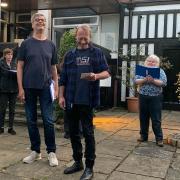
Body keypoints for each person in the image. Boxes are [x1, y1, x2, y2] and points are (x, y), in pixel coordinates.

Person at [59, 24, 110, 180]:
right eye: (80, 35)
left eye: (85, 35)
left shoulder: (97, 53)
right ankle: (77, 162)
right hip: (71, 100)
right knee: (73, 133)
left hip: (87, 100)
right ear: (76, 36)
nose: (82, 37)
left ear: (89, 36)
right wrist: (61, 96)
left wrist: (95, 76)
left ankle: (89, 167)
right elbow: (63, 79)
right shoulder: (69, 55)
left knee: (88, 133)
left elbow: (107, 72)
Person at [17, 13, 58, 166]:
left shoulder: (51, 44)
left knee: (48, 121)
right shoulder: (26, 44)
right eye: (37, 20)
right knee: (31, 121)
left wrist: (56, 88)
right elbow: (20, 66)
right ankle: (36, 151)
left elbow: (54, 68)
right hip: (28, 88)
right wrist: (20, 88)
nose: (40, 22)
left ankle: (51, 152)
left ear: (45, 24)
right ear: (32, 24)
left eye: (43, 20)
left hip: (46, 87)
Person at [135, 54, 167, 147]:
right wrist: (145, 80)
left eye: (154, 61)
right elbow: (136, 81)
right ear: (146, 61)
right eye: (149, 61)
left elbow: (164, 83)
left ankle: (159, 139)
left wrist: (153, 81)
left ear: (157, 63)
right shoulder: (141, 70)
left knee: (156, 119)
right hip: (143, 96)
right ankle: (143, 136)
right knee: (143, 117)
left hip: (156, 97)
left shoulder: (160, 71)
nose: (151, 62)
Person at [0, 48, 18, 135]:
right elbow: (5, 73)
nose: (10, 56)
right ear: (5, 55)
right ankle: (1, 127)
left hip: (14, 90)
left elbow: (18, 75)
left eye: (11, 54)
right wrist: (15, 72)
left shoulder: (15, 64)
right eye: (8, 54)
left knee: (12, 110)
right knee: (2, 109)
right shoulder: (1, 63)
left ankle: (10, 128)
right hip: (4, 90)